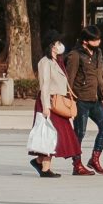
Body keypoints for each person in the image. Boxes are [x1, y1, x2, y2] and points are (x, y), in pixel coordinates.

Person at [71, 29, 103, 174]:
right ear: (85, 41)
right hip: (80, 100)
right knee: (79, 133)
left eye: (99, 39)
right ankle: (77, 164)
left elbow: (100, 76)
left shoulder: (98, 53)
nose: (98, 42)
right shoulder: (75, 55)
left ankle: (94, 159)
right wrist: (70, 99)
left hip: (95, 99)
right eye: (95, 40)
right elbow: (69, 79)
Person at [32, 42, 72, 177]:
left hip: (57, 101)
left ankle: (39, 161)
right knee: (50, 134)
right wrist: (45, 106)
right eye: (57, 43)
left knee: (56, 134)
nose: (61, 45)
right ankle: (45, 168)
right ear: (51, 46)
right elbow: (45, 85)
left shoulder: (57, 61)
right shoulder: (45, 62)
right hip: (49, 102)